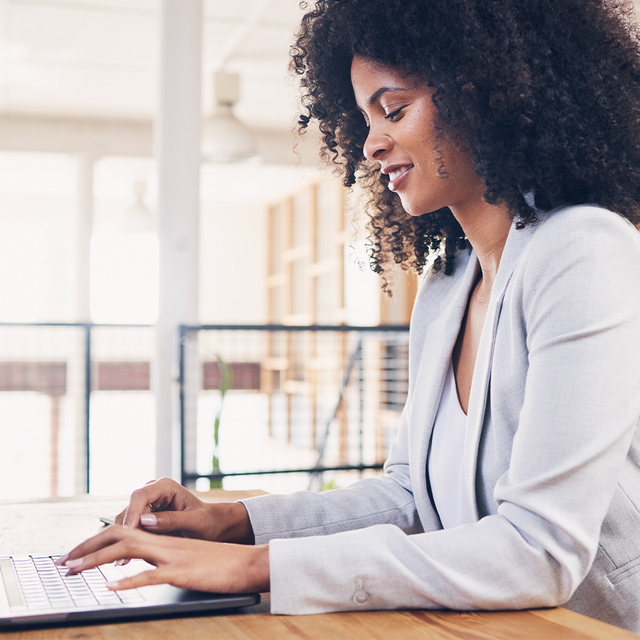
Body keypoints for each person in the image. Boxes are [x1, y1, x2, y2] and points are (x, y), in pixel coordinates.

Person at [59, 0, 640, 632]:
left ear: (490, 95)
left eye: (394, 109)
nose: (372, 143)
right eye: (366, 118)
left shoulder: (583, 250)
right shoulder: (449, 284)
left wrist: (257, 568)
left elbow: (539, 551)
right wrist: (231, 522)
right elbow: (408, 498)